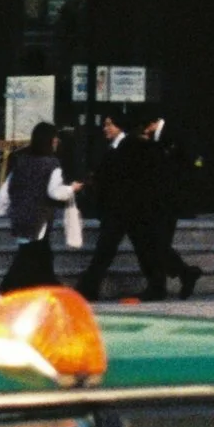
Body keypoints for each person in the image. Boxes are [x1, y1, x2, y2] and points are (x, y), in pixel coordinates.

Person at [0, 120, 79, 293]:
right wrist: (72, 188)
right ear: (50, 141)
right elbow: (54, 192)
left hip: (20, 217)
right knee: (29, 254)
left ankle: (50, 287)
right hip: (39, 218)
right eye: (55, 139)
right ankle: (3, 291)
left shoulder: (21, 161)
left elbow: (7, 187)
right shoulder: (52, 164)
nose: (56, 143)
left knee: (41, 254)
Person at [131, 109, 203, 300]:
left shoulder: (173, 134)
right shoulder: (156, 138)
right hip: (157, 199)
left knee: (158, 243)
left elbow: (190, 162)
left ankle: (167, 282)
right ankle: (182, 275)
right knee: (157, 243)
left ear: (152, 123)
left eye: (145, 128)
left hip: (170, 199)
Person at [82, 112, 138, 297]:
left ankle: (89, 287)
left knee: (105, 249)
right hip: (116, 208)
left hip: (121, 208)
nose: (105, 128)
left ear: (119, 126)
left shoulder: (127, 146)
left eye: (109, 124)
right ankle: (89, 286)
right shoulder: (113, 147)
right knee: (106, 249)